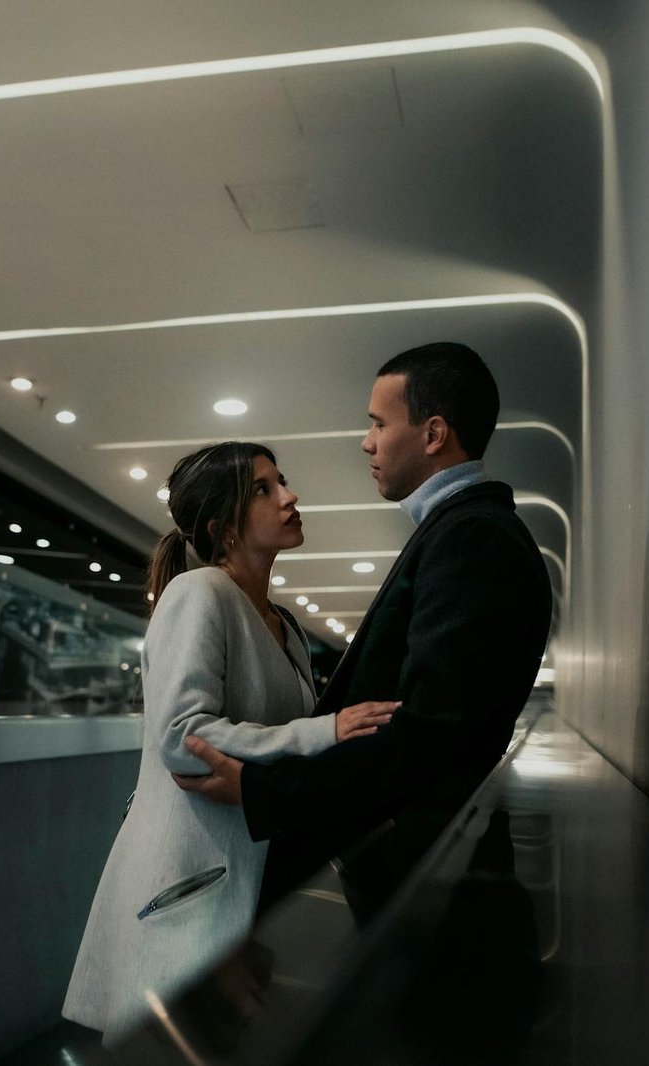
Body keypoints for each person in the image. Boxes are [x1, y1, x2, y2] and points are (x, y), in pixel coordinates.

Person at [174, 342, 553, 916]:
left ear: (432, 434)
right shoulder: (461, 532)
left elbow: (431, 737)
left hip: (424, 894)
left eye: (378, 422)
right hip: (423, 873)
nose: (367, 441)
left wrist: (263, 793)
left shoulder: (472, 539)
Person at [61, 441, 398, 1044]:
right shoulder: (199, 594)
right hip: (186, 887)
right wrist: (325, 729)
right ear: (223, 527)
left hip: (239, 891)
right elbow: (182, 734)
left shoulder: (282, 622)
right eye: (264, 489)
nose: (289, 497)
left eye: (282, 482)